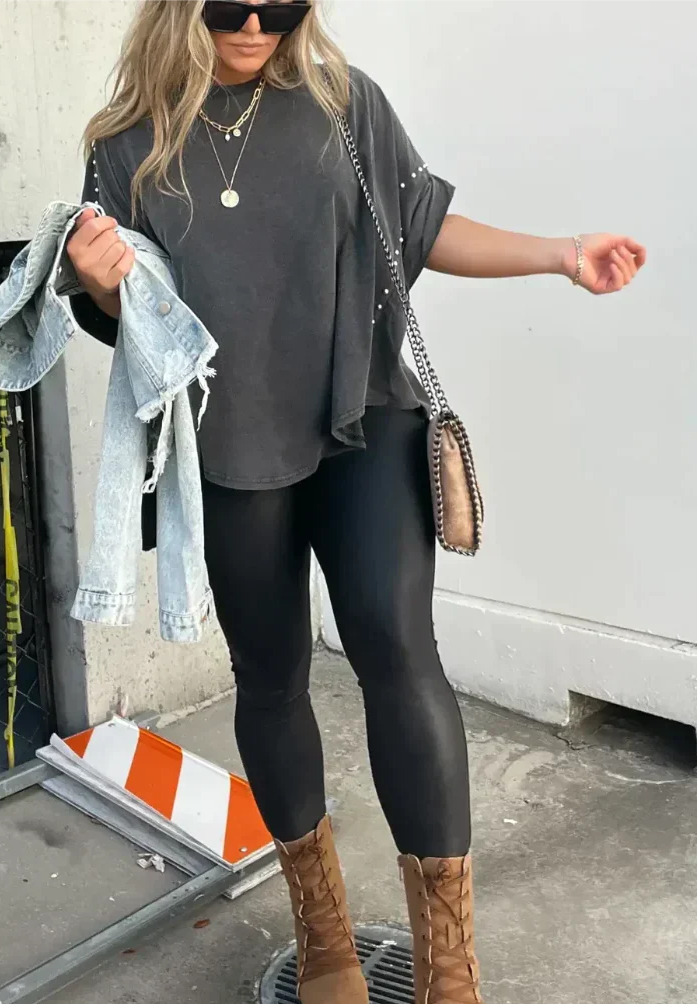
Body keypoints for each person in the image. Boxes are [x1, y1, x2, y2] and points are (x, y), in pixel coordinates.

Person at [67, 2, 646, 1001]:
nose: (256, 22)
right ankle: (324, 933)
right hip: (230, 439)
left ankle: (447, 964)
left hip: (363, 411)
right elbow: (129, 308)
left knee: (395, 641)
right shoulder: (127, 143)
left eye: (280, 4)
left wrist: (559, 253)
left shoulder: (341, 102)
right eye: (230, 5)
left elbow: (420, 224)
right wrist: (100, 282)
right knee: (271, 674)